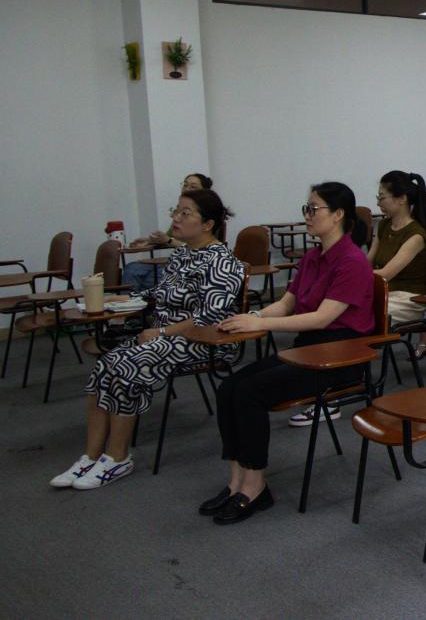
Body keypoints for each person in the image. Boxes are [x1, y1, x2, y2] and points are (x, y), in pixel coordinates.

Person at [201, 182, 374, 525]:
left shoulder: (352, 260)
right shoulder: (312, 257)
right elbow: (285, 304)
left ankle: (255, 487)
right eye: (306, 209)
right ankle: (236, 480)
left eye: (314, 209)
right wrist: (251, 317)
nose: (307, 215)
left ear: (338, 215)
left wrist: (260, 325)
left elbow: (322, 318)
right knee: (229, 388)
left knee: (249, 393)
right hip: (309, 350)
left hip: (339, 357)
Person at [52, 189, 244, 490]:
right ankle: (91, 456)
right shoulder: (182, 254)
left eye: (185, 213)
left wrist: (163, 332)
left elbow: (210, 315)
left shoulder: (222, 260)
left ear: (208, 224)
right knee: (105, 365)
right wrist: (124, 300)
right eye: (176, 211)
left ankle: (118, 457)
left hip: (203, 340)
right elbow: (160, 293)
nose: (176, 218)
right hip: (164, 337)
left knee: (125, 365)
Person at [368, 170, 426, 325]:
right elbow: (367, 262)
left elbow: (385, 275)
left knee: (360, 315)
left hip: (408, 299)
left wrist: (352, 274)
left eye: (382, 198)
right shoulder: (383, 226)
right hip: (385, 293)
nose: (378, 203)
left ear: (402, 199)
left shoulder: (416, 235)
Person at [120, 173, 212, 290]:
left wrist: (168, 240)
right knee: (131, 269)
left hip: (194, 263)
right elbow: (169, 238)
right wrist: (150, 241)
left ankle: (139, 300)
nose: (187, 189)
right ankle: (130, 301)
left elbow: (201, 249)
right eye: (185, 185)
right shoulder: (180, 214)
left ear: (205, 191)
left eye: (193, 187)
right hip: (176, 259)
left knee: (148, 280)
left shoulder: (208, 214)